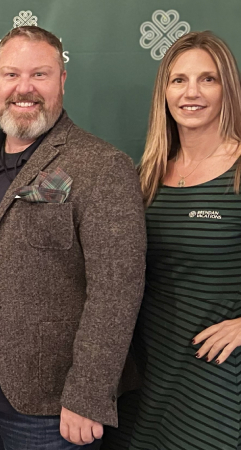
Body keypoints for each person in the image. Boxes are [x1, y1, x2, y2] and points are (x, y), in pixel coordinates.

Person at [0, 26, 146, 449]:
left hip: (50, 413)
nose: (24, 88)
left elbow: (116, 290)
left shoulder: (101, 165)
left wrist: (88, 395)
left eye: (40, 75)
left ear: (62, 81)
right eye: (11, 75)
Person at [109, 31, 241, 450]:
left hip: (219, 377)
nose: (192, 93)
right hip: (151, 370)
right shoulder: (146, 175)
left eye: (208, 79)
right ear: (164, 92)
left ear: (228, 89)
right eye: (179, 80)